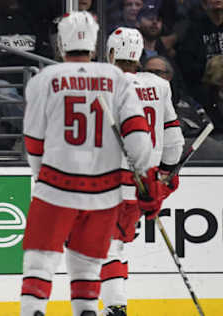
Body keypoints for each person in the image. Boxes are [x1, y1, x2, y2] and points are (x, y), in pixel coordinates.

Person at [20, 12, 163, 316]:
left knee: (41, 260)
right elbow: (138, 136)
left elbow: (33, 142)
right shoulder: (114, 80)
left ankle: (33, 310)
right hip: (103, 189)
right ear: (95, 43)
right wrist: (146, 179)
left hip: (57, 184)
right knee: (87, 262)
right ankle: (86, 310)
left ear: (61, 44)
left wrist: (41, 176)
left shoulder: (44, 79)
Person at [100, 27, 184, 316]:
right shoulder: (160, 86)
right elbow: (174, 140)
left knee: (104, 247)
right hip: (143, 186)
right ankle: (114, 304)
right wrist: (164, 176)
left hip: (108, 183)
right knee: (116, 245)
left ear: (111, 53)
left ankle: (115, 307)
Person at [176, 0, 223, 106]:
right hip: (206, 90)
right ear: (204, 4)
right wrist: (210, 70)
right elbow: (186, 65)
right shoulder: (194, 29)